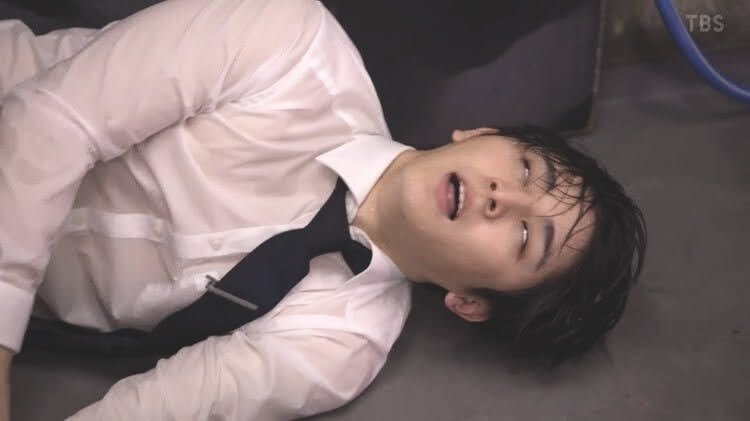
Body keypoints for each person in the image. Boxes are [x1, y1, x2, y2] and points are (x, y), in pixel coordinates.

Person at [0, 0, 646, 419]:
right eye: (527, 169)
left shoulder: (342, 346)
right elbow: (48, 123)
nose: (504, 196)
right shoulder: (292, 45)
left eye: (526, 237)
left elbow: (164, 408)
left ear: (470, 302)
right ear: (479, 134)